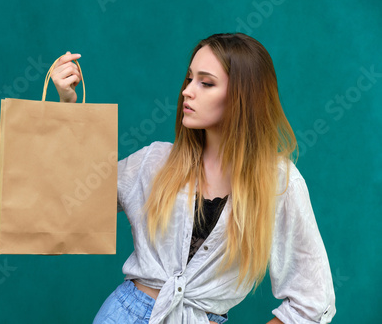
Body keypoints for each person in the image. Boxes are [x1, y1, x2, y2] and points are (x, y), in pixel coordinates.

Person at [51, 33, 336, 324]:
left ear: (244, 96)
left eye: (206, 82)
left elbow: (313, 302)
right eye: (189, 79)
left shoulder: (278, 183)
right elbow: (75, 203)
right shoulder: (155, 160)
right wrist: (67, 108)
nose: (187, 91)